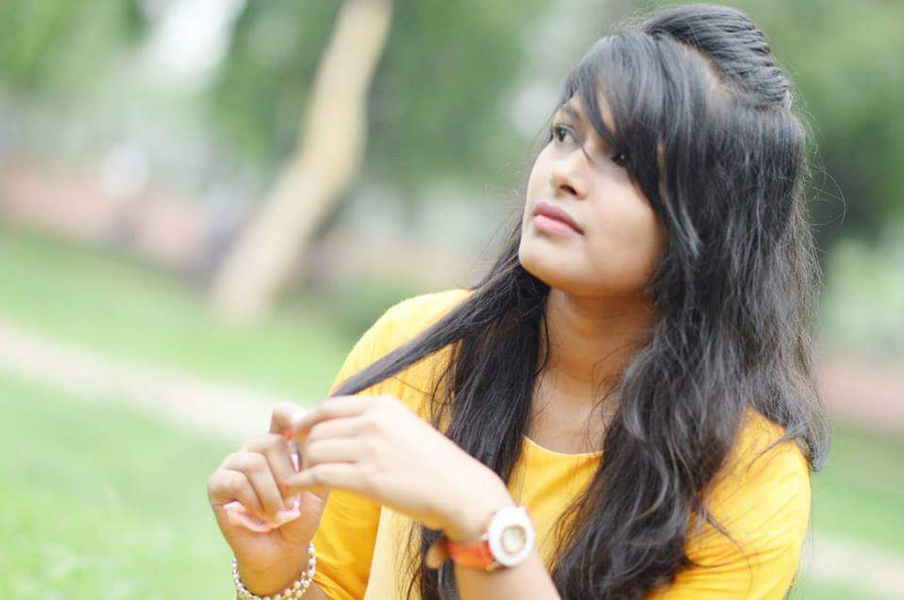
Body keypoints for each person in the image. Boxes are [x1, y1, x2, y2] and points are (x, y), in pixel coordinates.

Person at [207, 3, 830, 598]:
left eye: (625, 159)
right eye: (564, 134)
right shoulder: (418, 347)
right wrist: (277, 570)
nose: (564, 172)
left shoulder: (751, 477)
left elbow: (479, 516)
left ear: (717, 223)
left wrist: (483, 521)